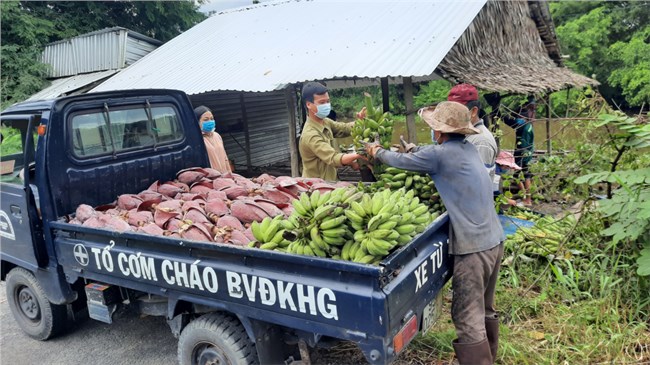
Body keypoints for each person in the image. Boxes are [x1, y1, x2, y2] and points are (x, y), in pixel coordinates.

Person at [365, 101, 505, 365]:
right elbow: (428, 155)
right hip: (494, 241)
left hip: (473, 249)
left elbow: (400, 160)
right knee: (485, 308)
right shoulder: (469, 149)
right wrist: (416, 149)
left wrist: (377, 151)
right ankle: (490, 357)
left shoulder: (440, 156)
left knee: (467, 317)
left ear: (439, 132)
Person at [298, 82, 366, 181]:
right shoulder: (310, 135)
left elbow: (344, 128)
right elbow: (333, 158)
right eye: (322, 102)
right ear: (309, 104)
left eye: (327, 101)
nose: (326, 105)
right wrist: (360, 154)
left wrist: (360, 122)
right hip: (317, 186)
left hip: (331, 179)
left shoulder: (325, 122)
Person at [447, 84, 498, 182]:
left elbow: (478, 183)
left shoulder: (481, 141)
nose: (451, 115)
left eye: (456, 111)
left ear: (473, 111)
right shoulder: (464, 135)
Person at [500, 96, 536, 206]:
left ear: (521, 116)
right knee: (527, 175)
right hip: (528, 154)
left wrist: (499, 114)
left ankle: (525, 198)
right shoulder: (529, 125)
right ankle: (528, 199)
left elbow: (509, 120)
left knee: (517, 177)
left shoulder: (521, 124)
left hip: (522, 153)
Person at [194, 105, 232, 173]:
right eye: (206, 119)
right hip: (211, 178)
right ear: (197, 122)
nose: (210, 121)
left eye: (212, 118)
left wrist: (230, 173)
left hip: (224, 176)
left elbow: (225, 158)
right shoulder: (197, 140)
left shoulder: (217, 136)